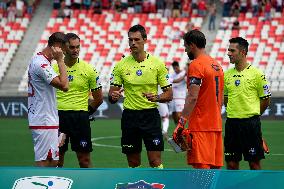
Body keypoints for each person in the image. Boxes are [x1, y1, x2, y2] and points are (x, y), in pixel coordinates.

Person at [108, 24, 173, 168]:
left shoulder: (157, 64)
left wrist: (156, 97)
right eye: (130, 40)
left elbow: (169, 94)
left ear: (145, 40)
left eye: (137, 39)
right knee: (133, 162)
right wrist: (114, 96)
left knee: (155, 162)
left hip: (150, 116)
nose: (133, 43)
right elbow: (112, 94)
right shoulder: (120, 65)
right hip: (130, 117)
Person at [173, 29, 224, 169]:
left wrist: (181, 122)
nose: (185, 50)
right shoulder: (217, 65)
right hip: (216, 126)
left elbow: (192, 97)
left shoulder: (196, 65)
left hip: (201, 126)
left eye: (185, 46)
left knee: (202, 173)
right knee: (214, 172)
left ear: (192, 45)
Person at [54, 33, 103, 168]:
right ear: (64, 48)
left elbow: (99, 98)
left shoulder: (89, 70)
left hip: (80, 119)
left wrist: (86, 113)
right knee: (57, 161)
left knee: (84, 161)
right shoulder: (53, 68)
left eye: (78, 47)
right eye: (72, 47)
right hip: (58, 118)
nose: (75, 50)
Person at [224, 37, 271, 170]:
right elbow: (226, 100)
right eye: (228, 50)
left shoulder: (257, 74)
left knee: (254, 164)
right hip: (232, 125)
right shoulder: (226, 75)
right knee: (231, 165)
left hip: (251, 125)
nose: (228, 53)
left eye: (232, 50)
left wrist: (253, 116)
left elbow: (266, 100)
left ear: (243, 52)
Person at [27, 32, 69, 167]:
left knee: (53, 161)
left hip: (46, 118)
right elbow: (64, 86)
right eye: (64, 48)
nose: (65, 52)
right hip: (43, 119)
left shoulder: (42, 61)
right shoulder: (41, 64)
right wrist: (61, 61)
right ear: (57, 46)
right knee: (45, 161)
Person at [169, 61, 186, 125]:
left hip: (180, 97)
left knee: (179, 114)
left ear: (178, 66)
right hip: (173, 98)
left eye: (176, 68)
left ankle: (181, 129)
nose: (175, 70)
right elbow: (177, 81)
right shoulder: (172, 75)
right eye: (174, 68)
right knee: (174, 115)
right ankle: (177, 128)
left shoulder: (184, 73)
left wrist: (185, 74)